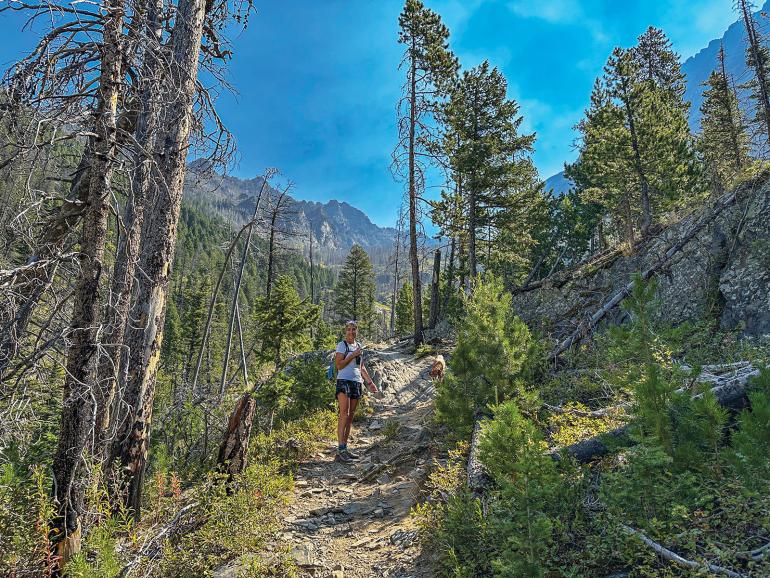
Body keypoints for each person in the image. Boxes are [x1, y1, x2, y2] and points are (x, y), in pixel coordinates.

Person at [334, 320, 379, 462]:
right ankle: (340, 450)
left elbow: (361, 367)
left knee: (350, 416)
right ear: (345, 331)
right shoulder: (342, 345)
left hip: (356, 382)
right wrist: (352, 355)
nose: (351, 332)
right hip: (344, 381)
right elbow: (339, 365)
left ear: (356, 331)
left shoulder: (358, 346)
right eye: (348, 329)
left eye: (353, 329)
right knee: (344, 414)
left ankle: (345, 449)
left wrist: (370, 382)